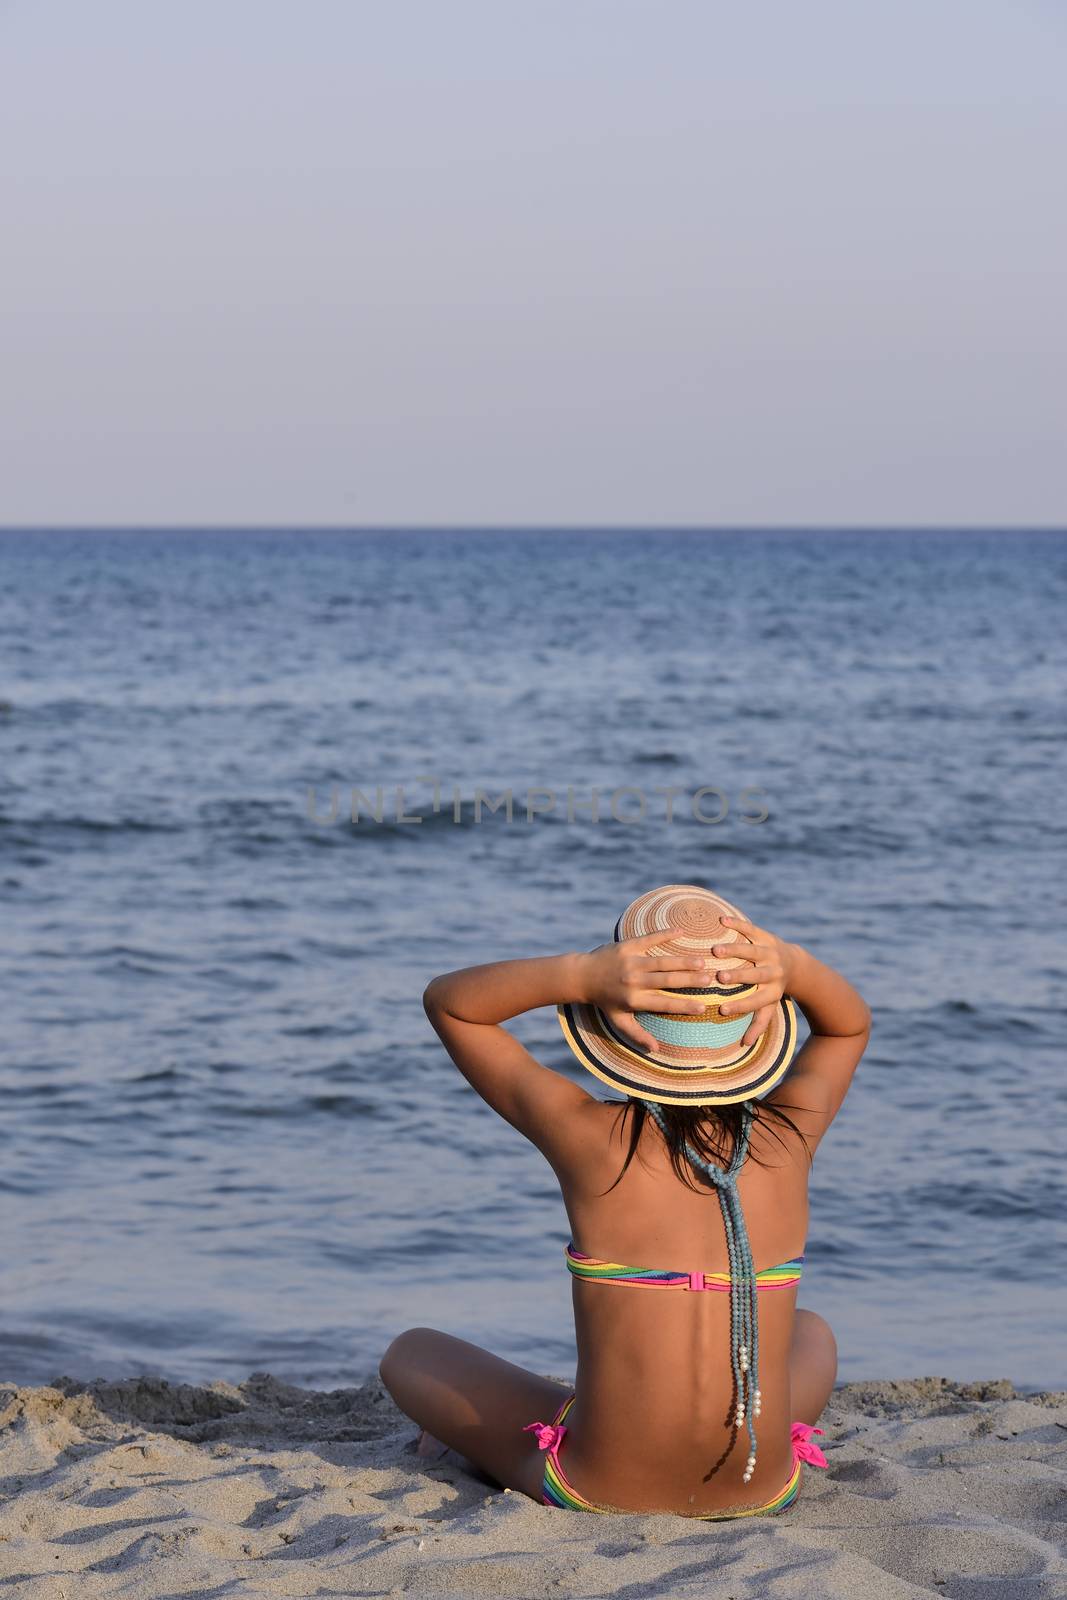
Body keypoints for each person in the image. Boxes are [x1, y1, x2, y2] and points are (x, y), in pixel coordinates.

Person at [379, 884, 871, 1518]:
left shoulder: (591, 1138)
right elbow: (849, 1025)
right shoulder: (793, 1133)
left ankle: (487, 1445)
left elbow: (450, 1004)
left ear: (617, 1023)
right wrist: (795, 967)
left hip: (600, 1485)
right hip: (761, 1486)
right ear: (763, 1020)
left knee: (409, 1351)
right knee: (813, 1333)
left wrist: (581, 974)